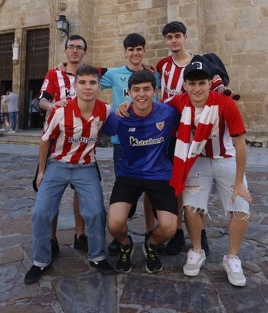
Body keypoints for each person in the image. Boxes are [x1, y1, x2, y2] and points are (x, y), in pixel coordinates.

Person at [24, 65, 115, 284]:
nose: (87, 87)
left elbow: (118, 124)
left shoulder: (106, 110)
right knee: (41, 213)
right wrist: (42, 171)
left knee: (95, 212)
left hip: (85, 167)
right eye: (82, 82)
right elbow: (45, 140)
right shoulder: (60, 110)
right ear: (75, 86)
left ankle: (97, 256)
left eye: (92, 83)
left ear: (99, 86)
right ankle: (40, 260)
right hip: (57, 165)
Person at [167, 56, 252, 287]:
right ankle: (197, 250)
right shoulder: (179, 102)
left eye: (201, 83)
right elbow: (154, 109)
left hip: (226, 158)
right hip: (199, 160)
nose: (196, 88)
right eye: (191, 83)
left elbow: (240, 144)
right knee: (192, 207)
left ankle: (232, 256)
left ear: (209, 84)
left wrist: (238, 182)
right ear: (185, 85)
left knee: (241, 207)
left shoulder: (225, 104)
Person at [155, 21, 236, 256]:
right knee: (177, 185)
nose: (173, 41)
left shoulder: (200, 62)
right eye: (169, 37)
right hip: (172, 134)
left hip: (196, 135)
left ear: (185, 37)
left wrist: (227, 96)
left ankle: (200, 235)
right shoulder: (163, 65)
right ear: (166, 40)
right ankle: (178, 234)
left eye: (177, 36)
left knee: (195, 187)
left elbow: (218, 86)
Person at [101, 69, 180, 274]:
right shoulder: (120, 116)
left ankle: (151, 246)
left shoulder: (168, 112)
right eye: (136, 90)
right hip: (129, 174)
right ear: (129, 92)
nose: (141, 94)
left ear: (155, 90)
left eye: (146, 89)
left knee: (169, 227)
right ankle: (126, 246)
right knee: (114, 223)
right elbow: (97, 127)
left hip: (160, 174)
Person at [99, 33, 161, 255]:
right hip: (123, 143)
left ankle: (150, 232)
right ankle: (121, 235)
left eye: (138, 49)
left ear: (144, 51)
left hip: (152, 140)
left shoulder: (154, 75)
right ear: (125, 52)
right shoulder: (114, 74)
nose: (135, 53)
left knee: (152, 191)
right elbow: (89, 78)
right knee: (123, 191)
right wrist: (66, 65)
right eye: (130, 50)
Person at [38, 34, 98, 254]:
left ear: (84, 52)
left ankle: (80, 234)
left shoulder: (91, 72)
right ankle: (51, 239)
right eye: (71, 47)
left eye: (79, 47)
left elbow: (121, 72)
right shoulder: (54, 73)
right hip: (56, 142)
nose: (74, 51)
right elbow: (42, 99)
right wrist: (53, 106)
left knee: (81, 192)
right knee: (51, 194)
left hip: (83, 144)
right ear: (65, 51)